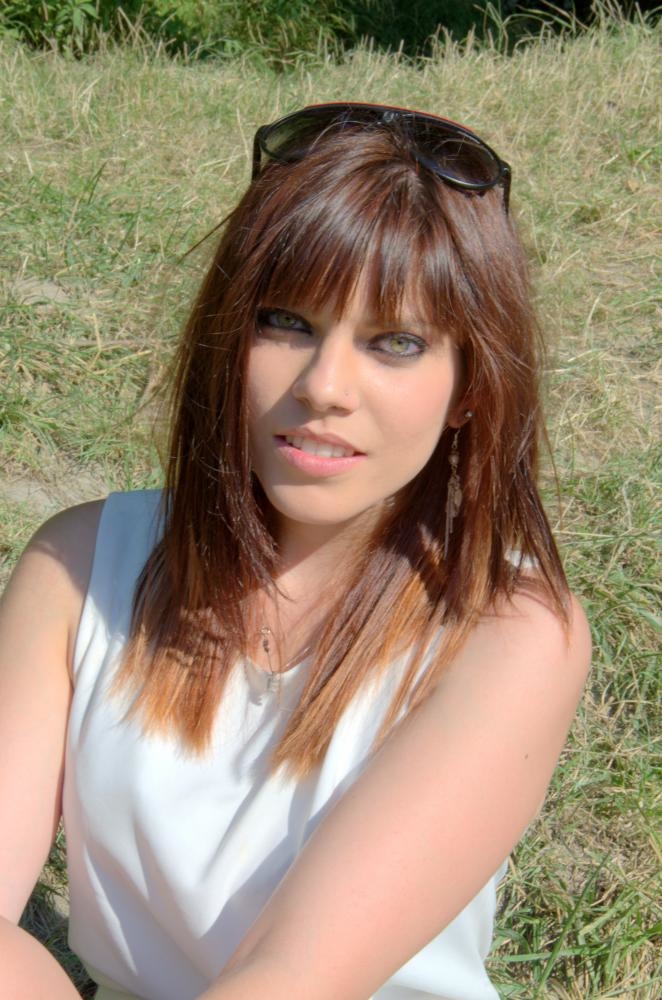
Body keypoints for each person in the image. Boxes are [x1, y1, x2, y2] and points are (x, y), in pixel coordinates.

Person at [0, 103, 591, 1000]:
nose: (325, 387)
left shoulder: (509, 634)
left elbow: (293, 978)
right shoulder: (78, 570)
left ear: (470, 386)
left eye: (396, 342)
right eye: (287, 322)